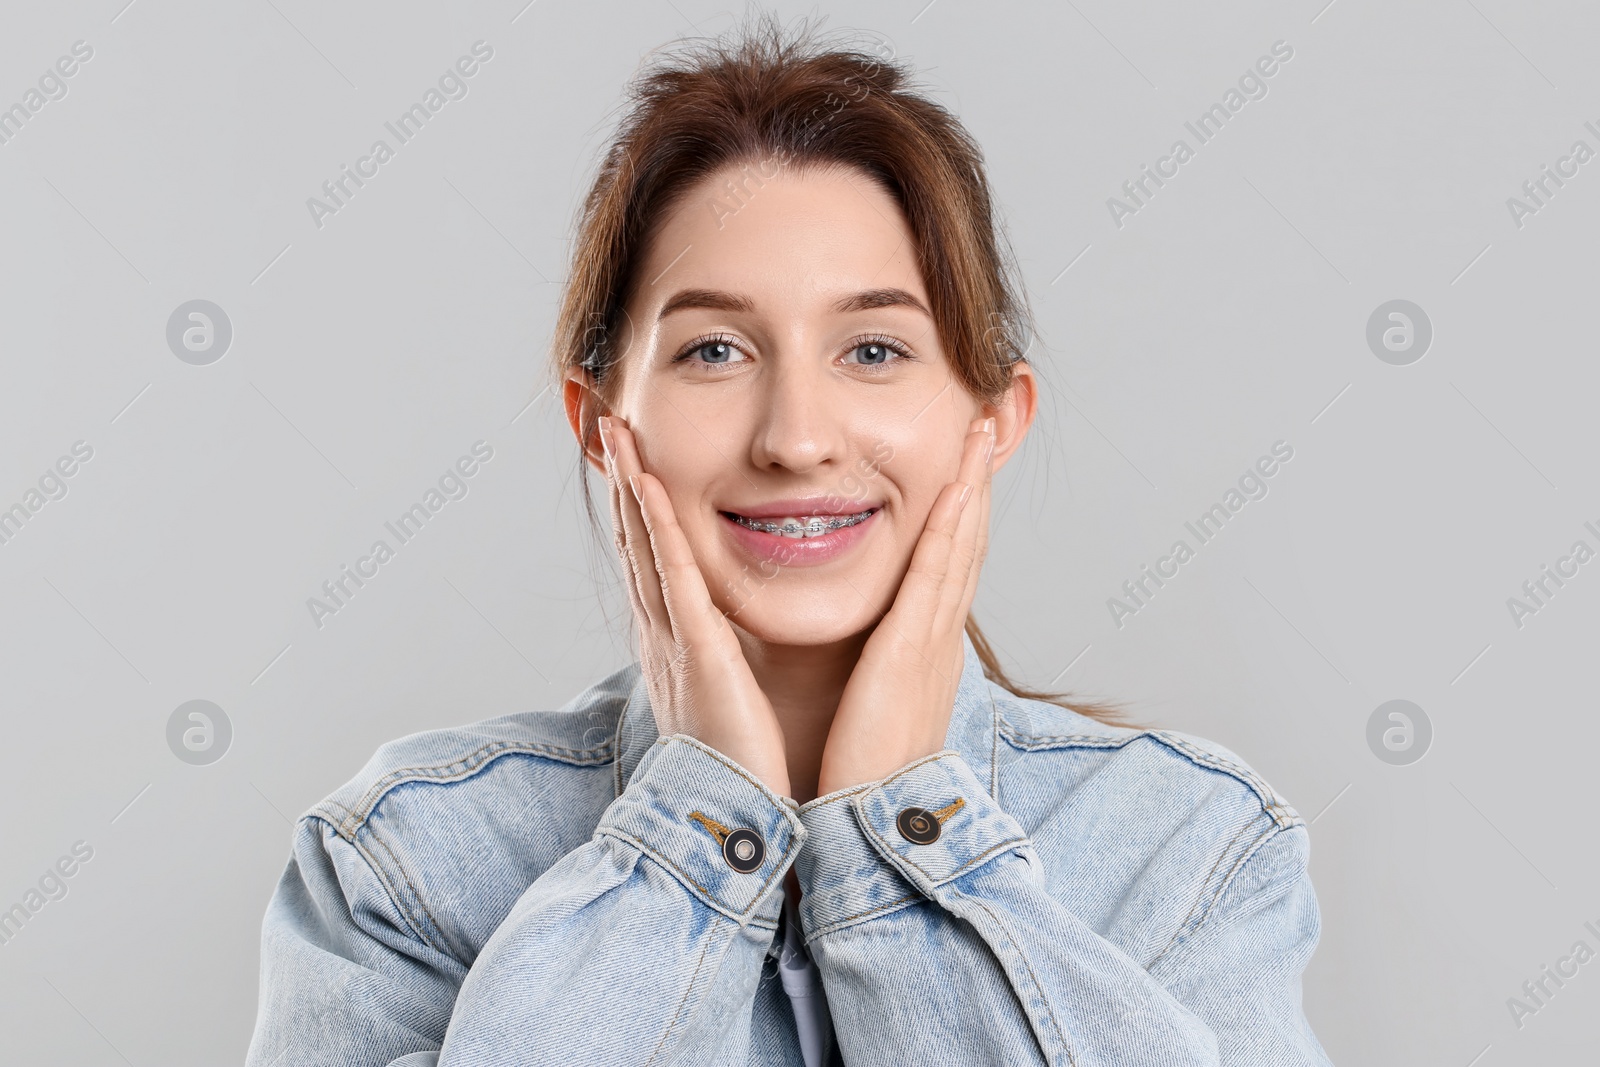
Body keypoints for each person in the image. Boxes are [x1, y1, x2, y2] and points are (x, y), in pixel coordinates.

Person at [245, 15, 1333, 1066]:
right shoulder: (407, 860)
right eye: (714, 349)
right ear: (599, 423)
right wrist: (700, 817)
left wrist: (902, 830)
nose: (797, 439)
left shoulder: (1191, 846)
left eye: (872, 349)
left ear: (991, 419)